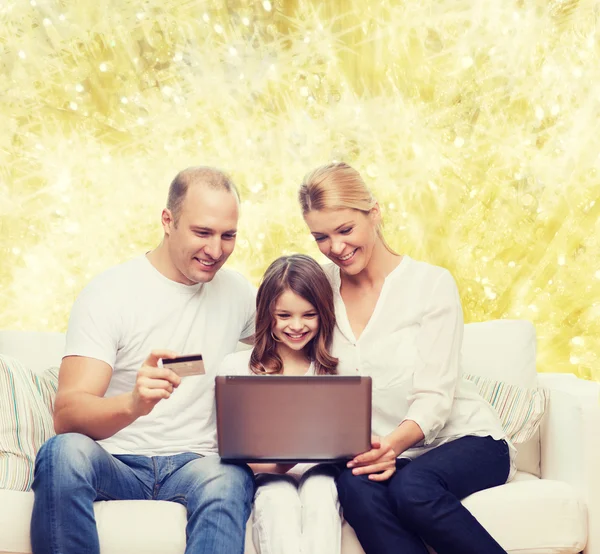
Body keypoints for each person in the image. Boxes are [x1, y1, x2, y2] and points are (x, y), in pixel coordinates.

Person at [30, 167, 257, 554]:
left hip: (197, 464)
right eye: (202, 232)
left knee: (230, 476)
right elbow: (67, 415)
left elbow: (290, 346)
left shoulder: (238, 293)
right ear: (168, 221)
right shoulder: (110, 293)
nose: (216, 250)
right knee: (61, 453)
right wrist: (134, 403)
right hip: (116, 460)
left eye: (228, 235)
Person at [297, 162, 515, 554]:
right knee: (352, 484)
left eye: (346, 230)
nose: (336, 248)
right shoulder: (318, 290)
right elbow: (276, 330)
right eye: (321, 237)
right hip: (385, 452)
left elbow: (435, 396)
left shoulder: (430, 285)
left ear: (374, 213)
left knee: (412, 488)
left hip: (466, 440)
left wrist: (392, 447)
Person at [218, 254, 342, 554]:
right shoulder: (237, 367)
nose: (296, 326)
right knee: (278, 498)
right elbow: (229, 450)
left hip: (322, 471)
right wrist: (278, 464)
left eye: (308, 315)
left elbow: (348, 440)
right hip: (267, 474)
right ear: (266, 314)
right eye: (284, 316)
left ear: (323, 314)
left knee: (321, 494)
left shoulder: (336, 368)